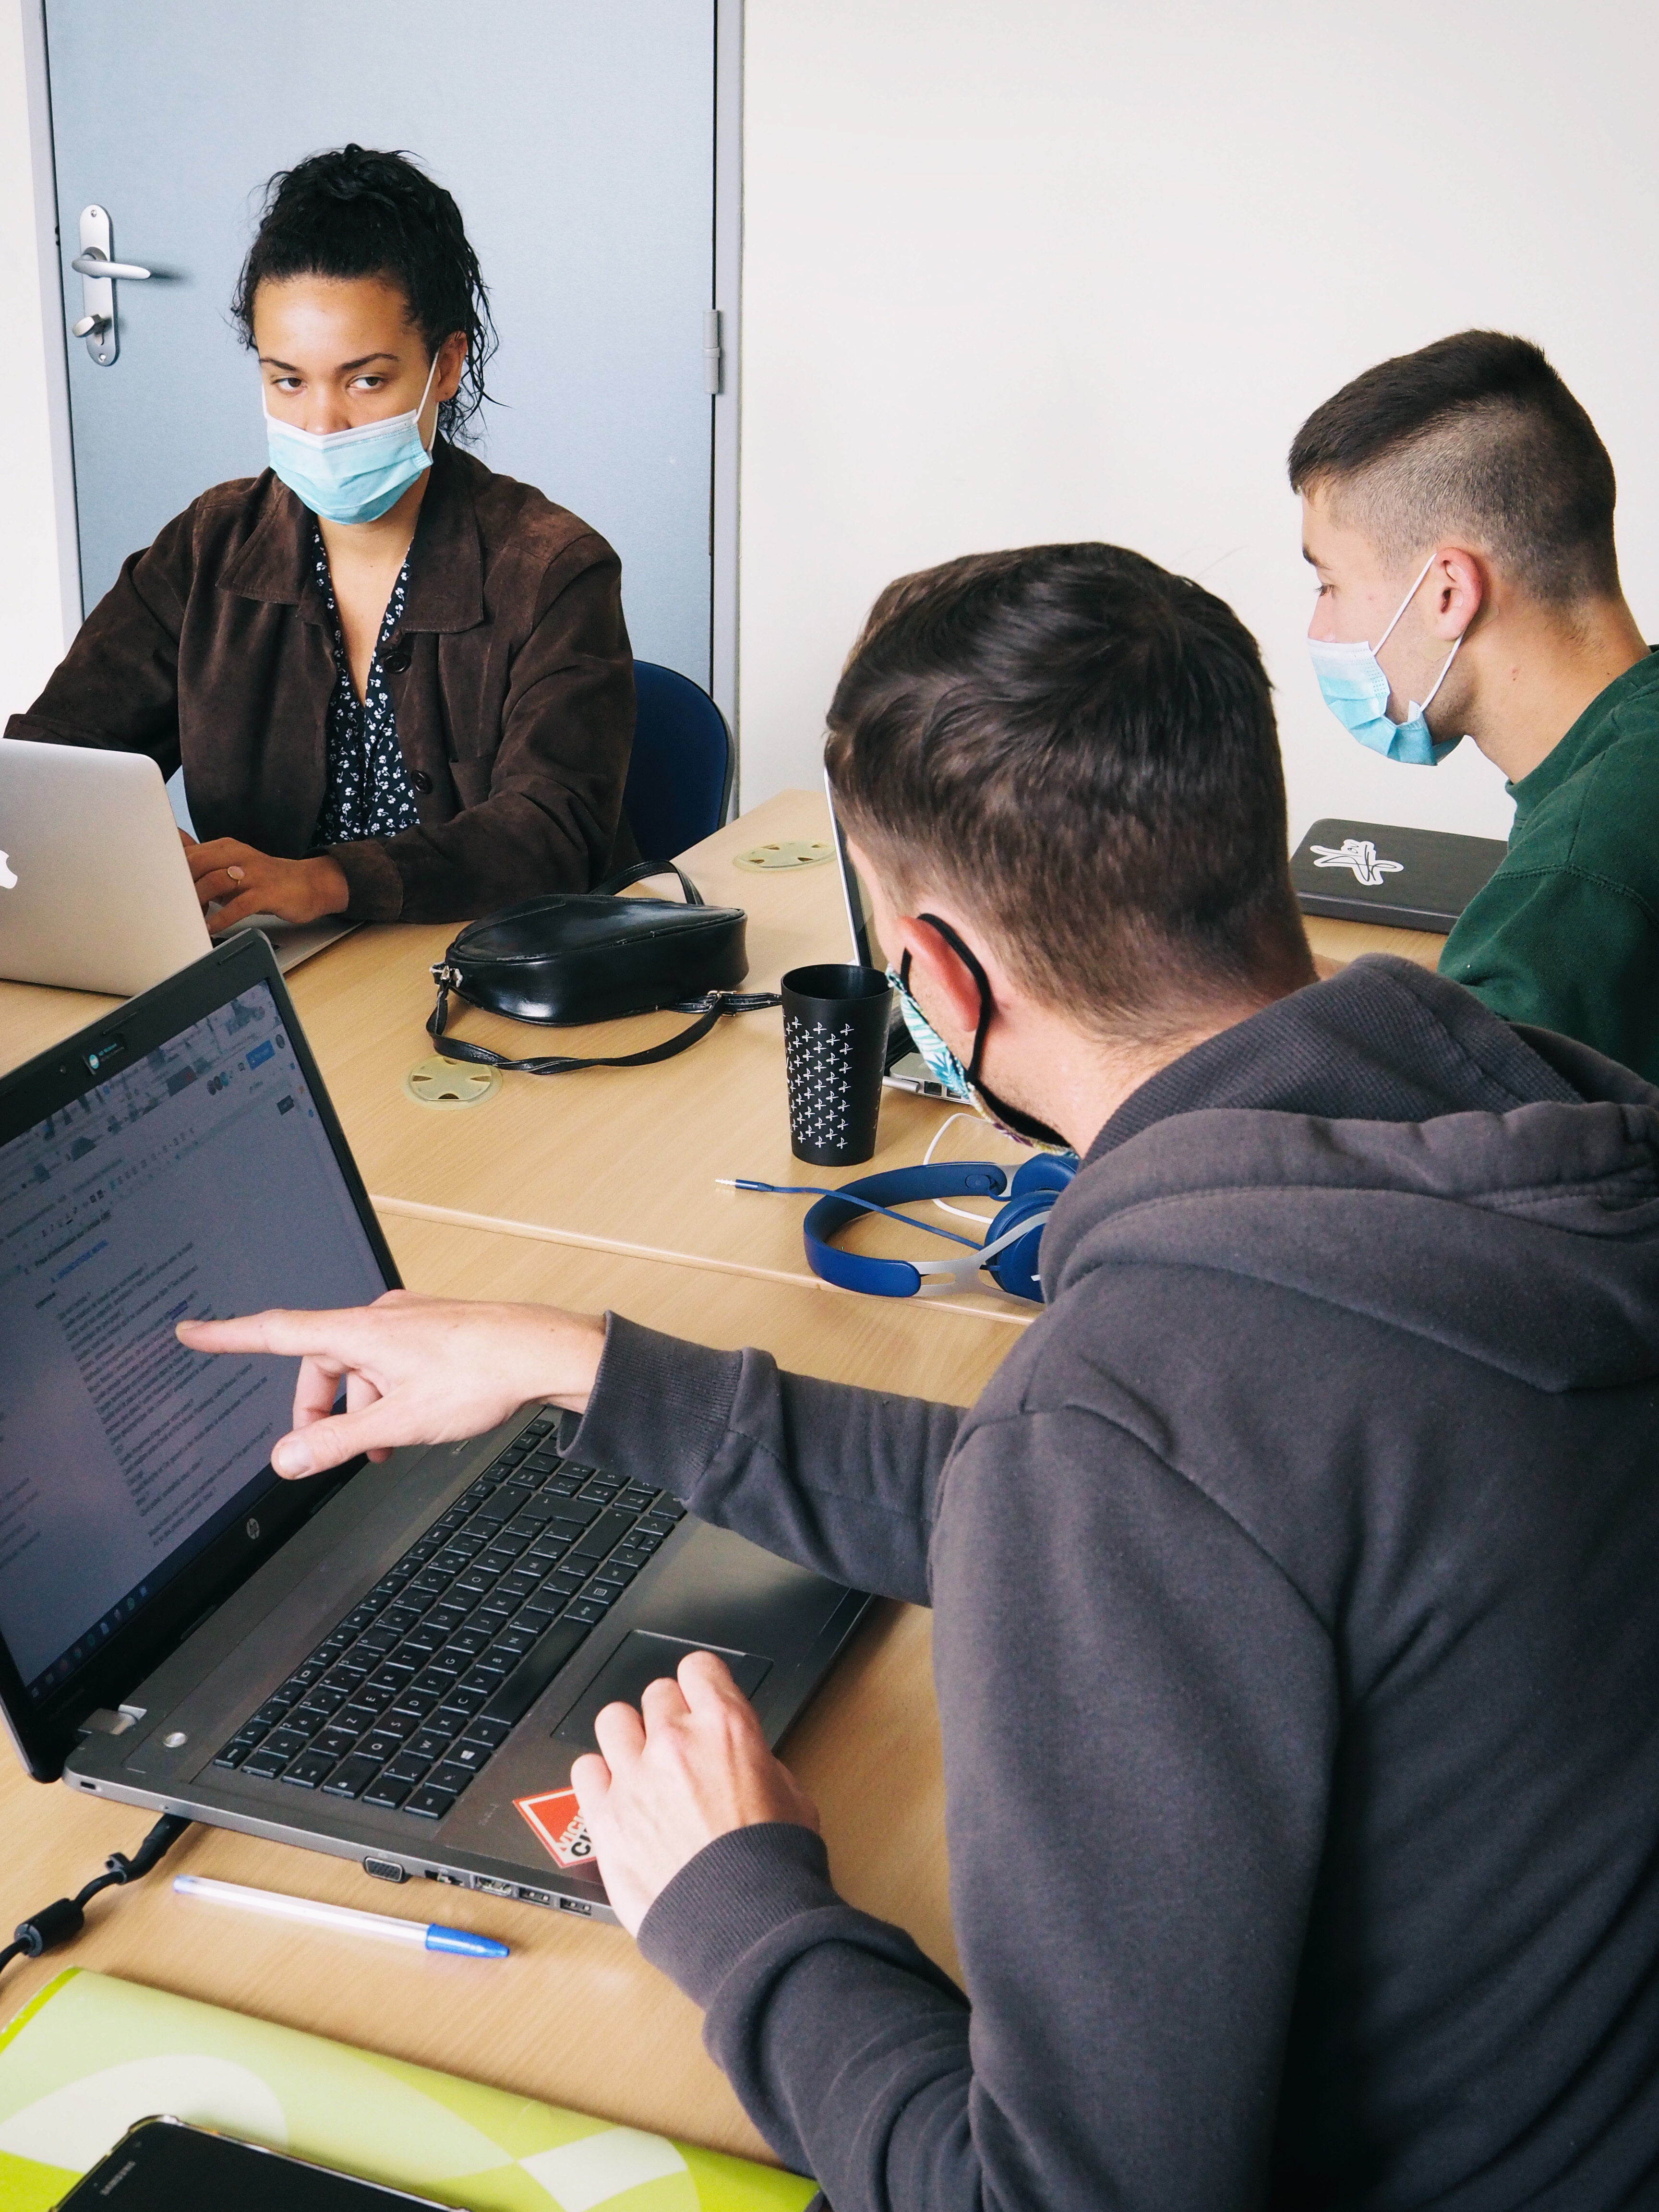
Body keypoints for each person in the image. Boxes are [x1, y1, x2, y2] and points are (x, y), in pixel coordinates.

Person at [179, 545, 1659, 2211]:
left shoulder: (1135, 1417)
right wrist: (578, 1364)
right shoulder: (1509, 1130)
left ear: (939, 980)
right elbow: (1146, 1497)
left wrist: (735, 1902)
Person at [4, 145, 636, 929]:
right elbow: (53, 758)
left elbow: (553, 832)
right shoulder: (208, 549)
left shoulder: (550, 569)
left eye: (366, 380)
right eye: (288, 381)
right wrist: (123, 848)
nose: (322, 423)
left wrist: (330, 883)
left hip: (492, 969)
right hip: (284, 976)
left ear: (445, 366)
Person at [1292, 330, 1659, 1079]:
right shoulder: (1625, 753)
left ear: (1448, 592)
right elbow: (1474, 1032)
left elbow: (1458, 1126)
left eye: (1328, 584)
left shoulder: (1579, 871)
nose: (1319, 629)